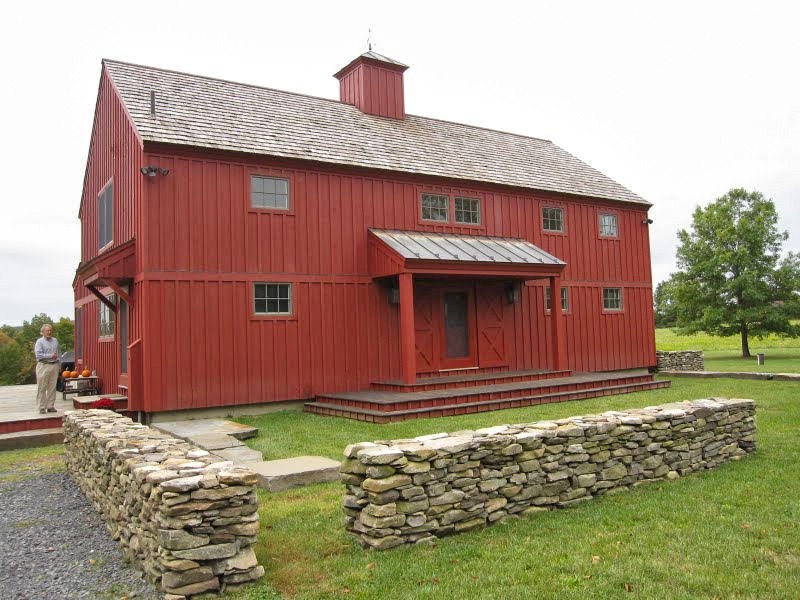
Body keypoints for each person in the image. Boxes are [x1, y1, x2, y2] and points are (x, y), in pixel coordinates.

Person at [34, 324, 60, 414]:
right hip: (43, 366)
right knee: (42, 387)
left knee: (52, 387)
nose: (49, 332)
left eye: (50, 330)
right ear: (43, 332)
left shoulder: (55, 341)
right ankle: (41, 407)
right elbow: (38, 355)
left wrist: (59, 365)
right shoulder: (39, 342)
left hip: (54, 365)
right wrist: (50, 356)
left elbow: (58, 353)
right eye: (47, 331)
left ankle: (50, 406)